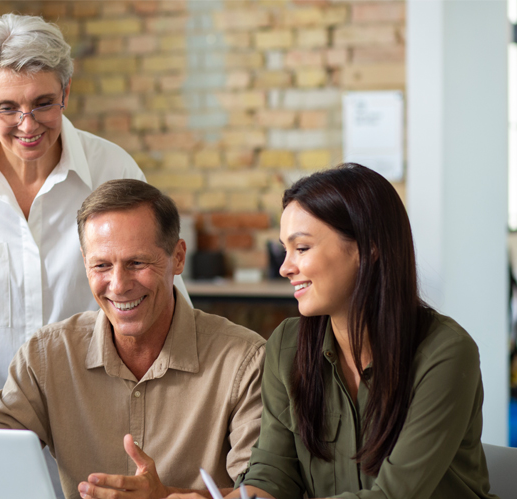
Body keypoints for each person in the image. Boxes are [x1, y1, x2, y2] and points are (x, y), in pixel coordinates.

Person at [0, 13, 189, 424]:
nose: (27, 126)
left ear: (65, 90)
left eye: (43, 103)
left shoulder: (111, 169)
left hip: (96, 422)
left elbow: (165, 303)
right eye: (7, 108)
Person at [169, 164, 498, 499]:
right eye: (284, 249)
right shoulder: (288, 345)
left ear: (369, 248)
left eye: (302, 248)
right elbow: (273, 474)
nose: (285, 267)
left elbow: (395, 496)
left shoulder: (445, 352)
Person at [0, 179, 265, 499]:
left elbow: (261, 492)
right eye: (102, 265)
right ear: (85, 262)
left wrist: (165, 496)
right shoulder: (47, 356)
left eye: (136, 263)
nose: (118, 285)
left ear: (177, 257)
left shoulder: (244, 361)